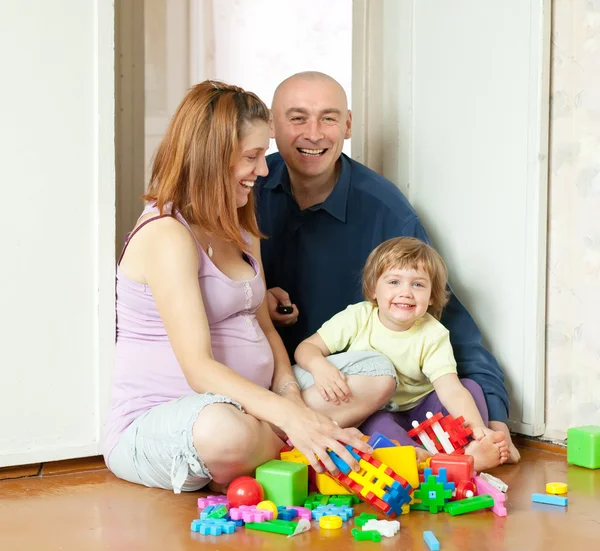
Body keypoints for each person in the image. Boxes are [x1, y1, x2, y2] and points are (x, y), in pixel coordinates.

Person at [103, 80, 377, 495]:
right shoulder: (166, 234)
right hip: (171, 419)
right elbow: (199, 370)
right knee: (223, 430)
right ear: (212, 158)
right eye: (252, 157)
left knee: (375, 374)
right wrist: (292, 418)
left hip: (258, 404)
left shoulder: (238, 222)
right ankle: (298, 446)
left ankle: (279, 445)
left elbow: (264, 326)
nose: (264, 170)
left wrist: (289, 393)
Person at [255, 71, 520, 463]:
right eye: (297, 118)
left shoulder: (386, 210)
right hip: (281, 375)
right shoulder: (248, 186)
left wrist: (496, 422)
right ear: (272, 125)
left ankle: (429, 461)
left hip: (363, 390)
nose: (314, 133)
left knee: (465, 398)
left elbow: (445, 317)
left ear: (347, 125)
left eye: (328, 118)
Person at [294, 237, 509, 471]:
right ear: (374, 289)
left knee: (469, 388)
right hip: (380, 410)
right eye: (394, 282)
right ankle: (426, 461)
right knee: (377, 428)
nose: (406, 292)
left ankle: (473, 449)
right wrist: (319, 366)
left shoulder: (433, 333)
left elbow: (450, 389)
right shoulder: (357, 317)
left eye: (418, 285)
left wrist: (478, 428)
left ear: (432, 296)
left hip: (421, 405)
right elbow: (306, 348)